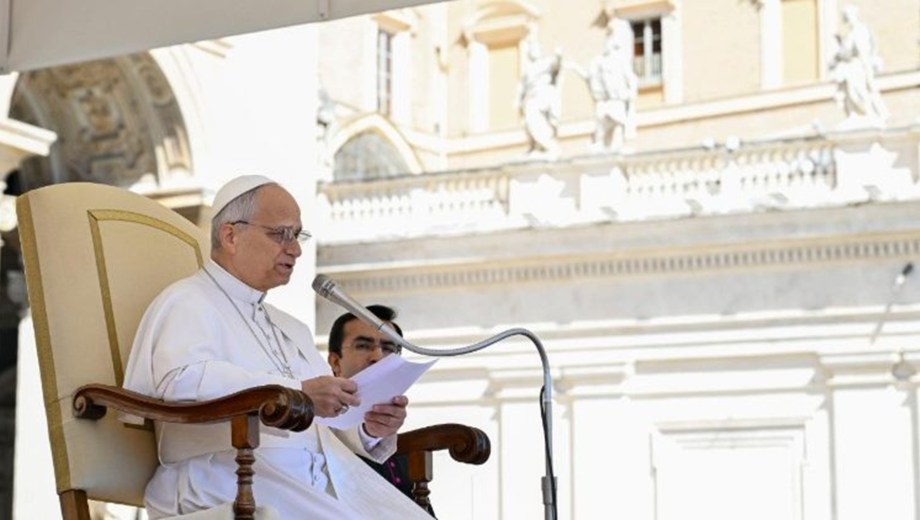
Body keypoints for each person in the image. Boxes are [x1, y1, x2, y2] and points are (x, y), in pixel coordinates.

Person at [122, 175, 433, 519]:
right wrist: (295, 392)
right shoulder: (186, 301)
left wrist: (369, 427)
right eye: (280, 233)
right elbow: (178, 382)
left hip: (308, 479)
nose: (296, 248)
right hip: (225, 473)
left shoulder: (290, 326)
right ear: (230, 235)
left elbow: (328, 418)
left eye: (297, 235)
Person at [326, 304, 436, 517]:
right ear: (335, 362)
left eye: (389, 348)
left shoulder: (405, 450)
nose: (377, 356)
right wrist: (370, 432)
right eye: (363, 346)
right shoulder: (318, 423)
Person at [579, 17, 638, 152]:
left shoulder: (620, 61)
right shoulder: (601, 62)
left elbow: (631, 79)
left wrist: (630, 93)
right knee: (601, 120)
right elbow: (593, 77)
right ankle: (600, 143)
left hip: (617, 98)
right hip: (605, 99)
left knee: (617, 123)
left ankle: (615, 146)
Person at [828, 5, 888, 121]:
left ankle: (867, 114)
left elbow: (862, 52)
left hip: (857, 68)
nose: (847, 20)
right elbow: (847, 50)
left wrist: (868, 74)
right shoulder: (852, 33)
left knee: (857, 93)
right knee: (851, 94)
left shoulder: (859, 30)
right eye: (846, 17)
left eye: (848, 16)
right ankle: (856, 115)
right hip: (852, 68)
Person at [517, 27, 563, 158]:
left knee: (537, 119)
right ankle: (537, 146)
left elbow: (556, 66)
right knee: (530, 121)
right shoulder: (528, 70)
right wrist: (518, 101)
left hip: (542, 95)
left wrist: (559, 55)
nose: (533, 52)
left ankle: (547, 145)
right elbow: (522, 88)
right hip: (530, 98)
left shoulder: (546, 63)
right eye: (531, 50)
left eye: (535, 49)